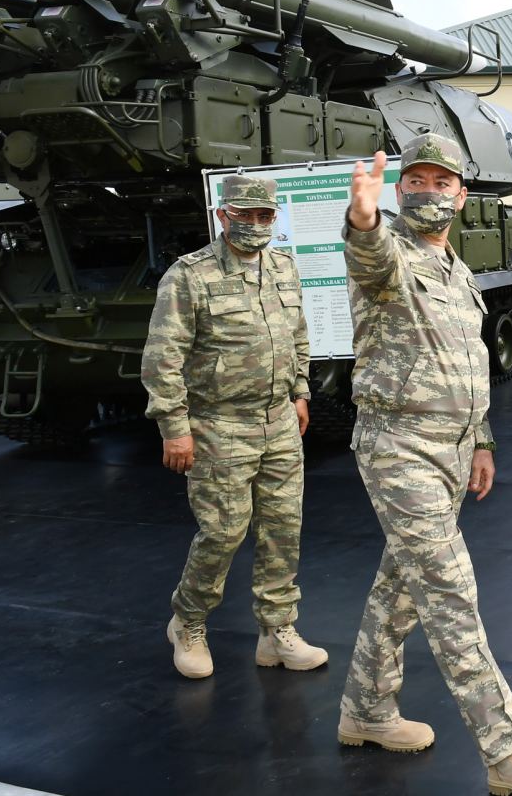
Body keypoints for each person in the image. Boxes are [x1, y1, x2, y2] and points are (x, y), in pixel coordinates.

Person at [337, 133, 512, 796]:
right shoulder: (391, 258)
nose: (428, 191)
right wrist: (361, 221)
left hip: (451, 451)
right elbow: (368, 256)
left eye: (441, 182)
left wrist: (481, 441)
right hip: (399, 450)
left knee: (399, 590)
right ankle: (507, 751)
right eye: (415, 181)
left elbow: (468, 365)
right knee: (449, 593)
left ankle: (365, 708)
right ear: (398, 191)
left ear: (461, 195)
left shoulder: (458, 272)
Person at [142, 173, 327, 680]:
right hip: (217, 424)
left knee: (283, 530)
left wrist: (300, 390)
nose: (253, 224)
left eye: (263, 215)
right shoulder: (189, 275)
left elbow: (298, 335)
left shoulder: (284, 267)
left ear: (274, 218)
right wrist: (174, 426)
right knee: (223, 532)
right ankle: (188, 621)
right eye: (242, 215)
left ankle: (277, 630)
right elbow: (163, 357)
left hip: (279, 424)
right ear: (222, 216)